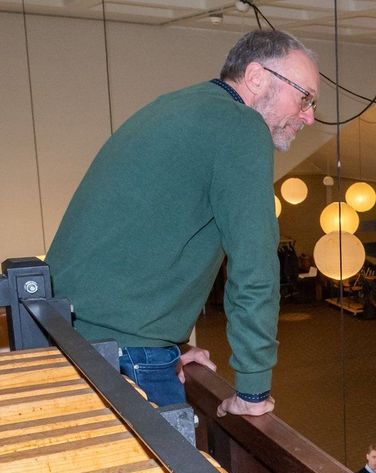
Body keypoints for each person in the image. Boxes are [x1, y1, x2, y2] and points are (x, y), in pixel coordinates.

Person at [46, 31, 320, 415]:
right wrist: (253, 390)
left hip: (68, 335)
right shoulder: (240, 125)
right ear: (256, 77)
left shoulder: (179, 105)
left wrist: (170, 344)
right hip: (122, 354)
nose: (308, 115)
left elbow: (145, 237)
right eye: (304, 97)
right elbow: (254, 264)